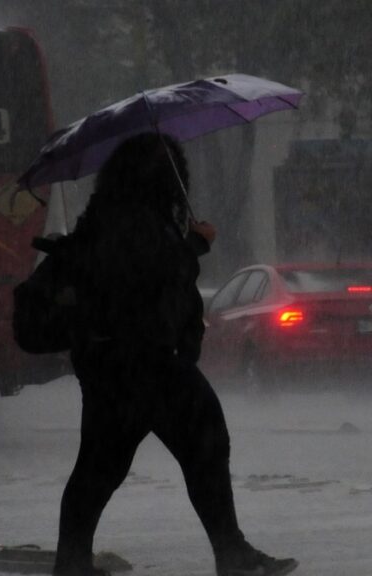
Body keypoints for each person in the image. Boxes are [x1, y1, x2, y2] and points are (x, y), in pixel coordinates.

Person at [52, 133, 297, 576]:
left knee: (100, 466)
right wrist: (195, 245)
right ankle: (233, 554)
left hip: (113, 365)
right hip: (146, 361)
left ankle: (72, 561)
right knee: (204, 442)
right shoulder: (135, 222)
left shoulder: (110, 216)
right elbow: (150, 279)